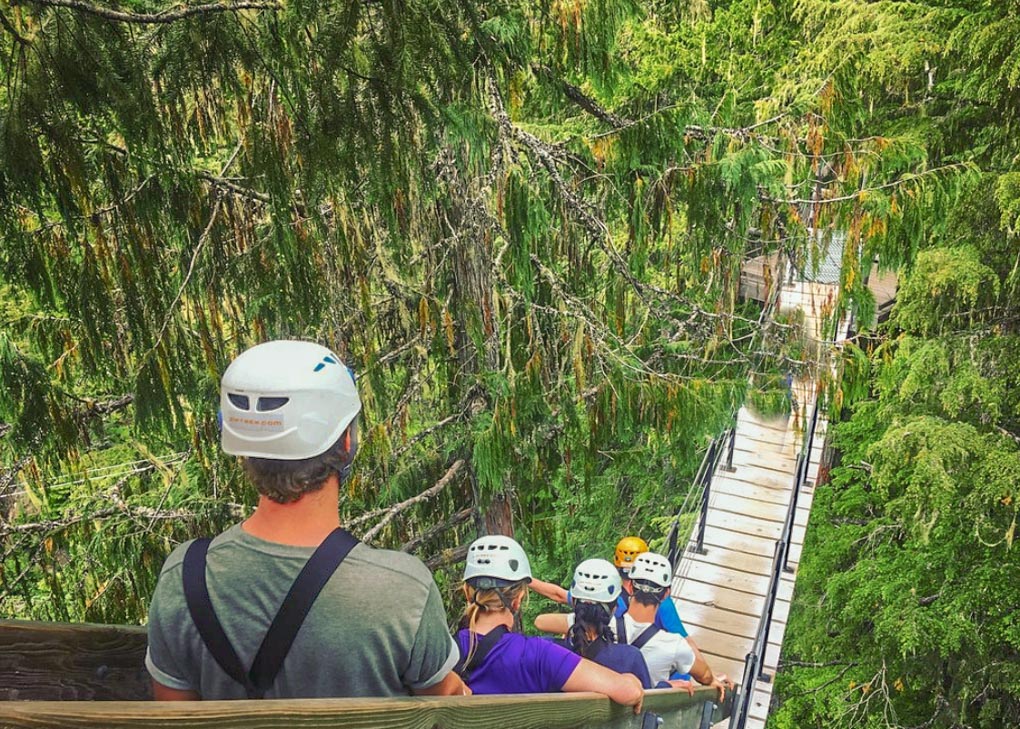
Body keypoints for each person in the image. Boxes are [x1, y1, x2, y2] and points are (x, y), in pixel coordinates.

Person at [145, 340, 467, 700]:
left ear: (240, 446)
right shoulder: (402, 589)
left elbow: (172, 713)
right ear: (346, 443)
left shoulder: (184, 577)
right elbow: (450, 708)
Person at [455, 535, 644, 712]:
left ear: (467, 592)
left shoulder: (444, 652)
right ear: (518, 599)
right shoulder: (539, 655)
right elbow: (629, 692)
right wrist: (630, 679)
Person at [529, 536, 689, 636]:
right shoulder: (660, 600)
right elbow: (683, 639)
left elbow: (557, 595)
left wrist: (525, 580)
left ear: (616, 561)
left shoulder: (605, 593)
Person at [536, 558, 653, 688]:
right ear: (614, 608)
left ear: (574, 602)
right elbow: (648, 705)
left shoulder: (545, 651)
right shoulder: (630, 658)